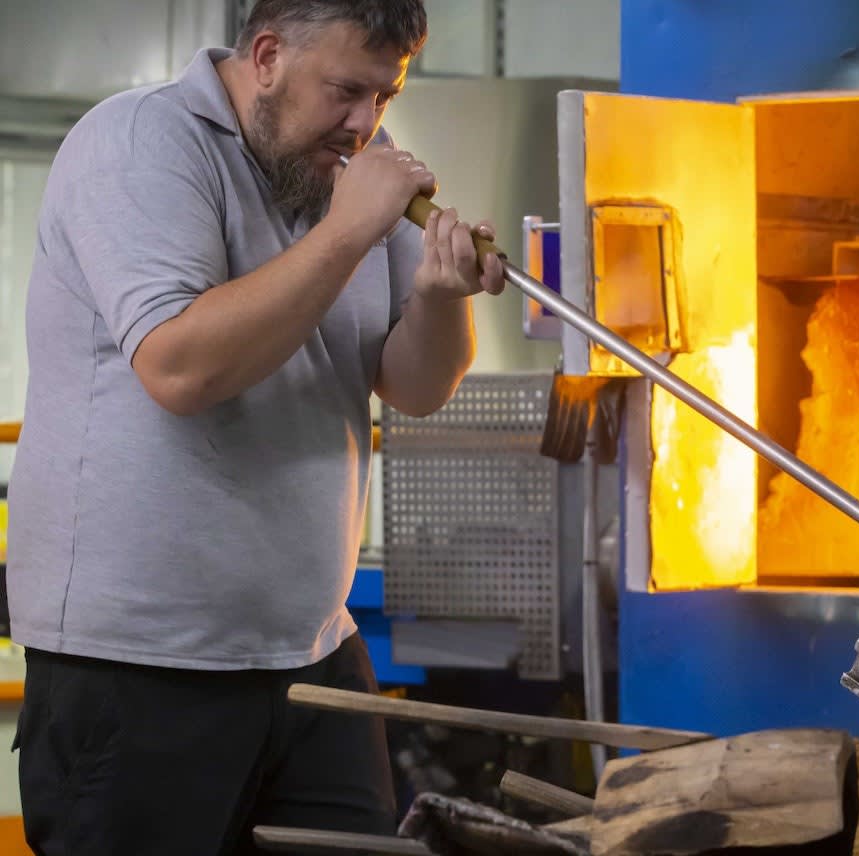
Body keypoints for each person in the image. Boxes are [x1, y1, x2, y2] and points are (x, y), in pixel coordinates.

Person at [6, 1, 505, 852]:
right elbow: (181, 368)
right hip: (143, 661)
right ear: (267, 55)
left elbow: (415, 388)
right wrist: (350, 230)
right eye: (345, 90)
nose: (365, 123)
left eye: (383, 96)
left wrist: (437, 295)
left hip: (313, 648)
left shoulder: (350, 164)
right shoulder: (140, 142)